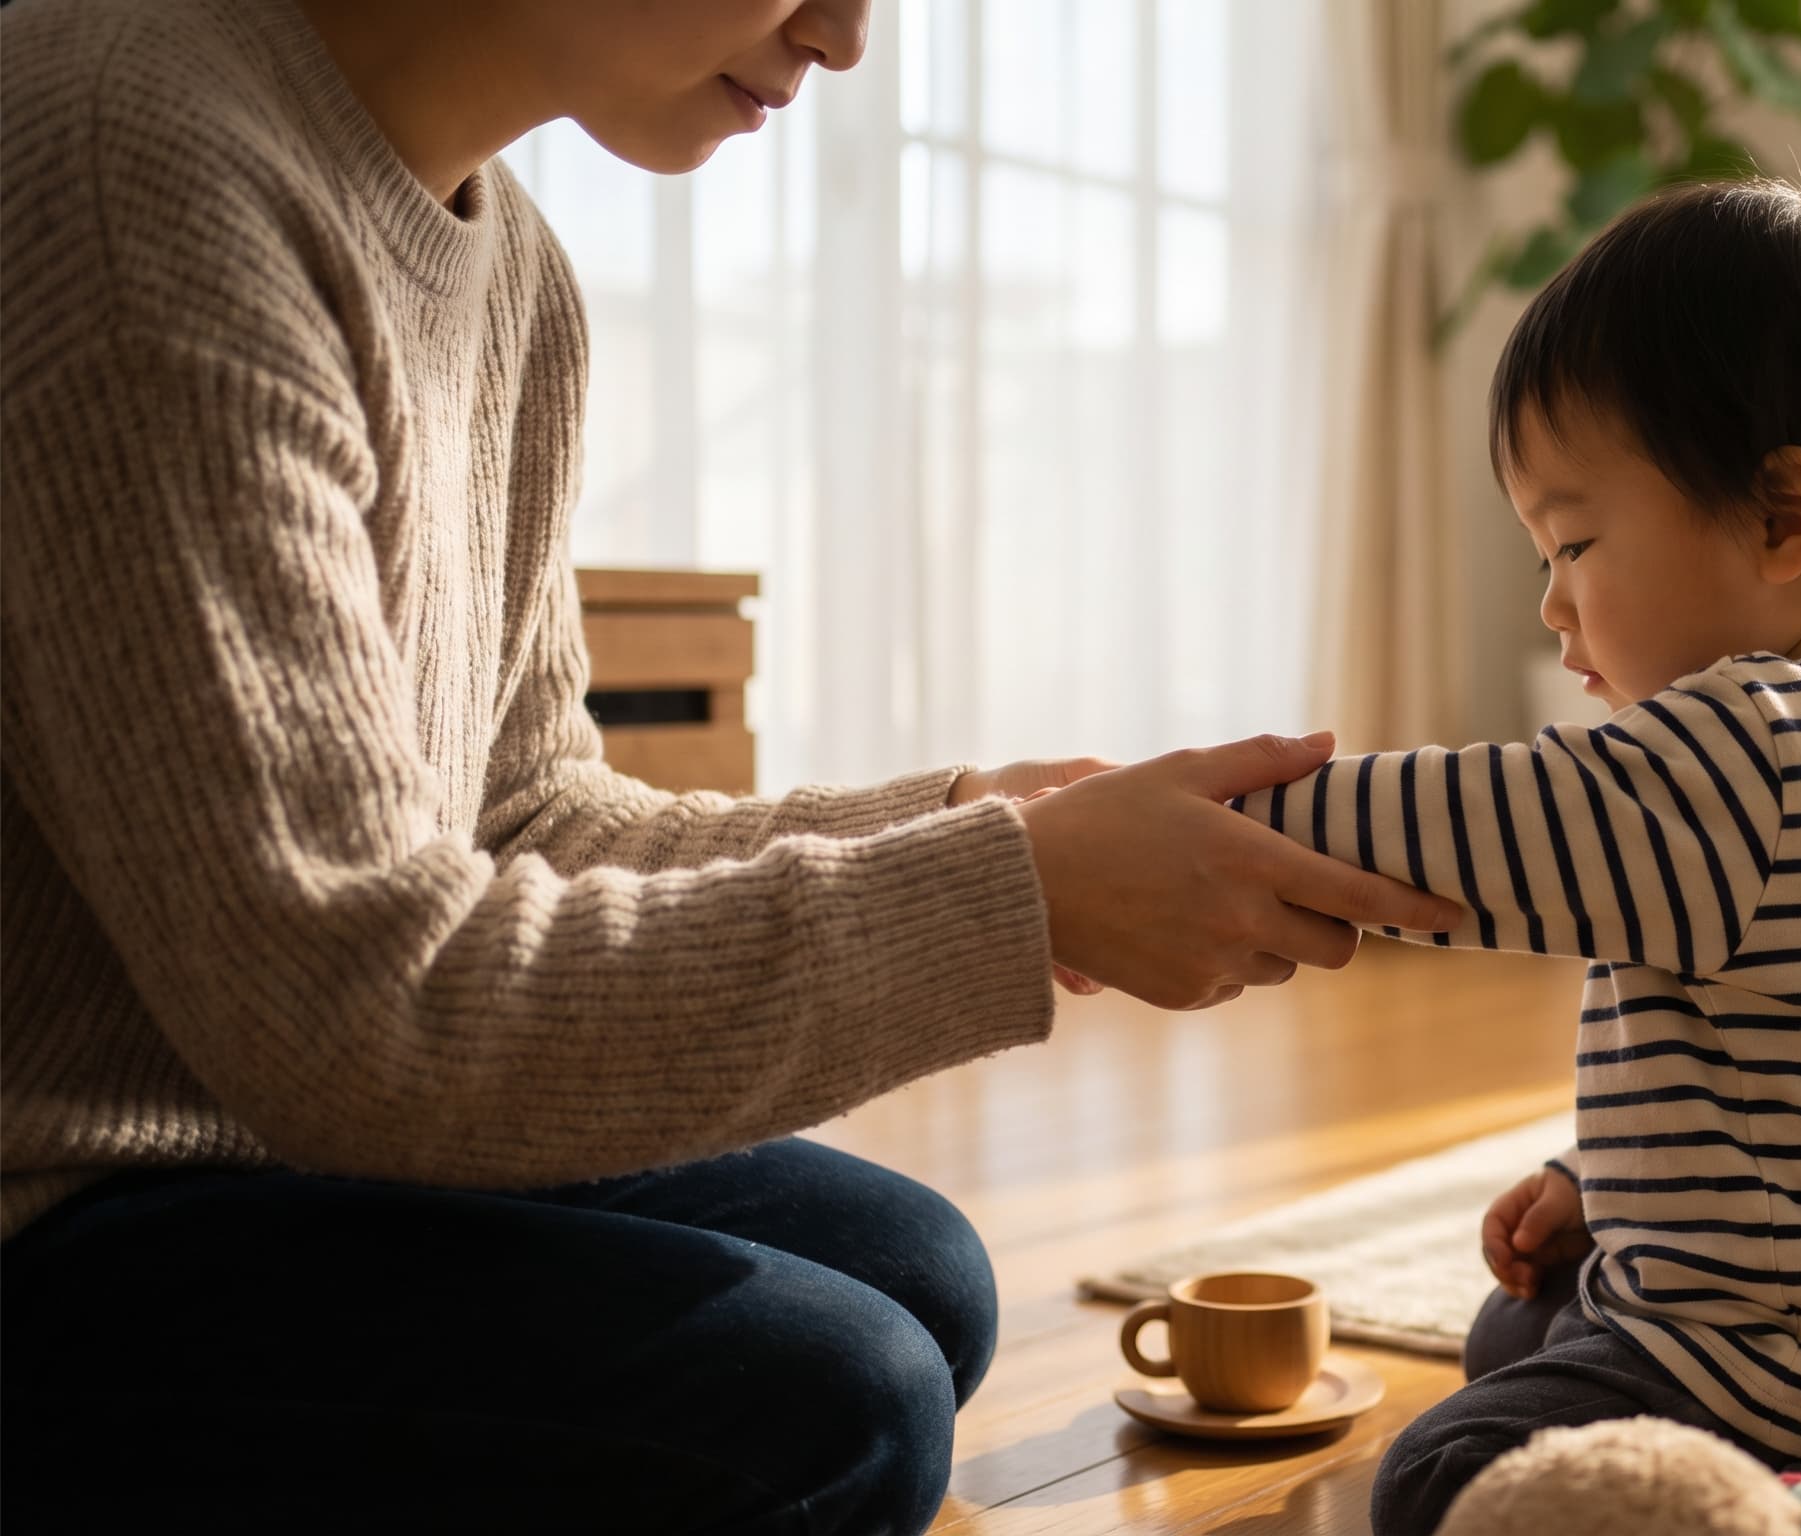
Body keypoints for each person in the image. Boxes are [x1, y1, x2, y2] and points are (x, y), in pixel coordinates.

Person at [0, 0, 1458, 1528]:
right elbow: (359, 1011)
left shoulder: (516, 276)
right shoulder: (131, 164)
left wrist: (962, 825)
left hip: (260, 1135)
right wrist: (1011, 900)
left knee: (915, 1277)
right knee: (832, 1399)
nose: (845, 37)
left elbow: (522, 816)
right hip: (59, 1195)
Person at [1233, 181, 1801, 1535]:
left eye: (1575, 542)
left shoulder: (1747, 741)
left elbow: (1471, 827)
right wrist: (1602, 1187)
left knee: (1445, 1481)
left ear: (1784, 519)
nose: (1552, 601)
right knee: (1514, 1331)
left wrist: (1225, 817)